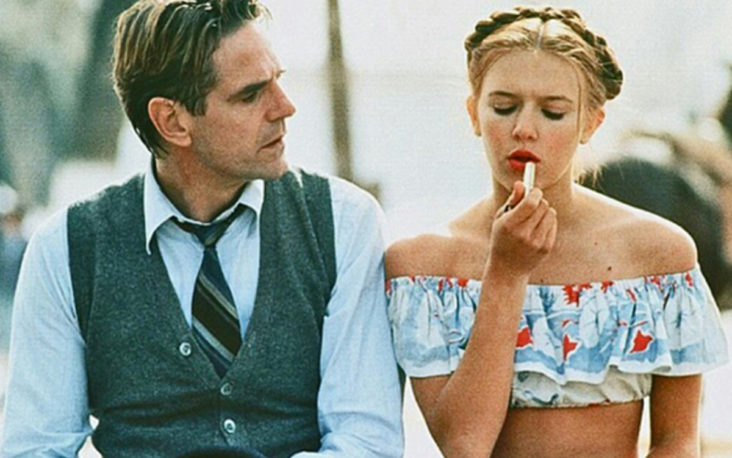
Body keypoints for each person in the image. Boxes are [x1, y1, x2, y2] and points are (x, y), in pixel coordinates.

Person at [0, 1, 403, 456]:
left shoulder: (344, 223)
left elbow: (366, 442)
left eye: (278, 80)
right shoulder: (66, 248)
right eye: (250, 95)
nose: (284, 107)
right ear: (172, 121)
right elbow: (35, 447)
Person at [386, 6, 729, 457]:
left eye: (553, 112)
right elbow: (464, 444)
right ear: (473, 113)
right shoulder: (423, 266)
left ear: (590, 123)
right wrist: (506, 273)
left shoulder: (659, 253)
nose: (524, 129)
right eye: (503, 107)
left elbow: (677, 441)